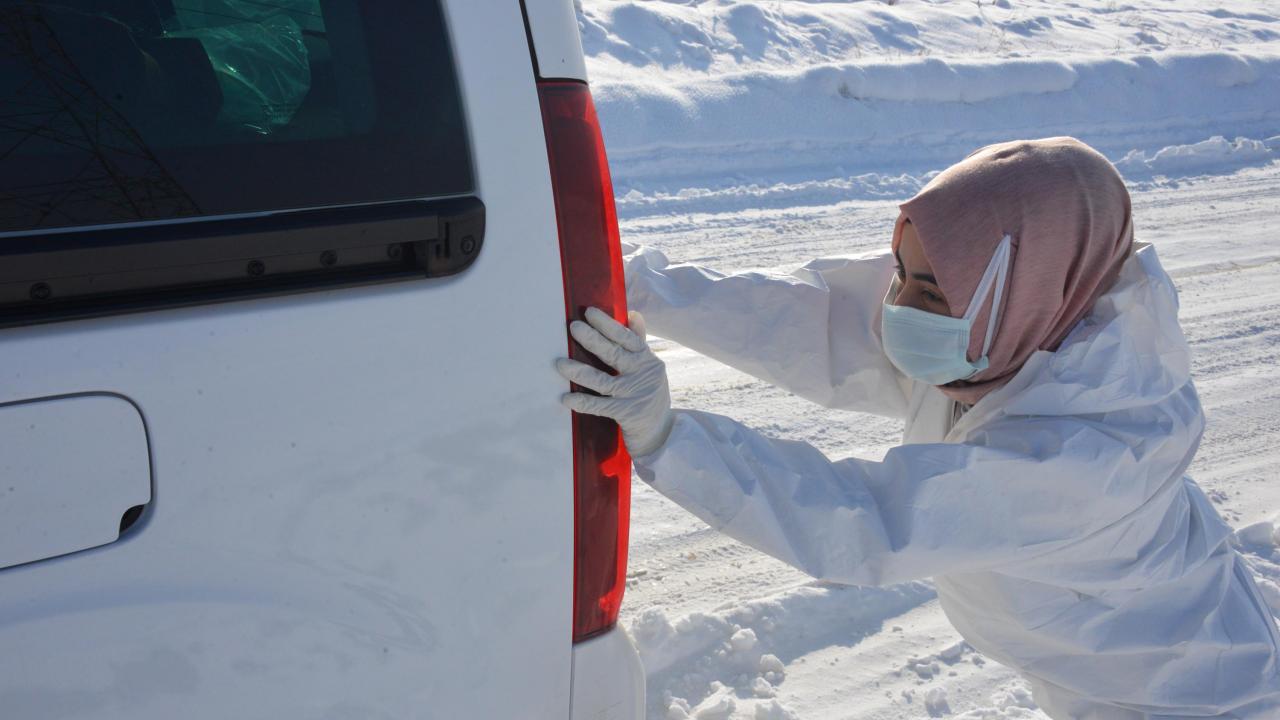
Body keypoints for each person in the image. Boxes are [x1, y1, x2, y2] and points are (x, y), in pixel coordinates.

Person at [555, 137, 1280, 719]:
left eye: (925, 288)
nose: (898, 303)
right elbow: (820, 323)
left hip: (1187, 698)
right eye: (901, 270)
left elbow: (869, 524)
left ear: (1029, 287)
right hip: (1087, 677)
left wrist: (669, 437)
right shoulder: (1015, 319)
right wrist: (637, 283)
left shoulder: (1089, 456)